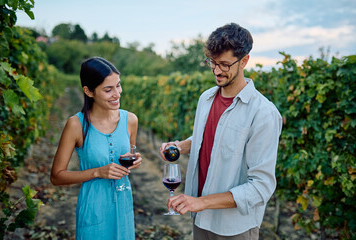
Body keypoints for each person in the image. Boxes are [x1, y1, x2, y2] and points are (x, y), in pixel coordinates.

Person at [159, 23, 282, 240]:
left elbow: (261, 186)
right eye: (212, 63)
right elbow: (210, 138)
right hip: (200, 218)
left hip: (234, 227)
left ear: (244, 61)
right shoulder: (205, 99)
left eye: (224, 64)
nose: (216, 70)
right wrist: (180, 146)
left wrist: (200, 202)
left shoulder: (263, 113)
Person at [50, 57, 142, 240]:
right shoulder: (76, 125)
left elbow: (129, 156)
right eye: (108, 89)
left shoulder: (130, 120)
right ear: (89, 91)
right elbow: (56, 176)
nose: (117, 94)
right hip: (93, 210)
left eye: (118, 85)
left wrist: (135, 160)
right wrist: (98, 172)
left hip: (123, 207)